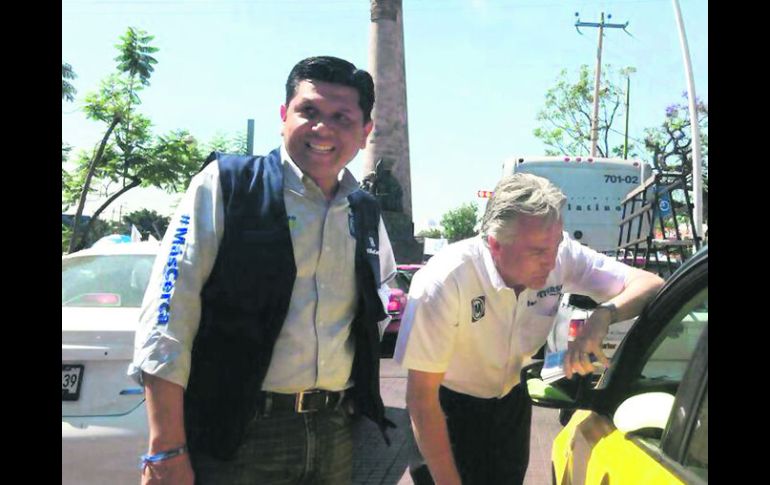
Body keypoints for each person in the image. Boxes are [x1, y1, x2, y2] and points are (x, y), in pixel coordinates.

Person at [129, 56, 397, 485]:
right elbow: (168, 316)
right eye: (307, 111)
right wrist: (165, 448)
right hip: (239, 432)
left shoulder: (364, 211)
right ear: (282, 116)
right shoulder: (227, 185)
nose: (322, 128)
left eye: (341, 117)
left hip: (333, 431)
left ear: (365, 132)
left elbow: (375, 311)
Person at [394, 173, 664, 485]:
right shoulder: (445, 281)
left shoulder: (559, 255)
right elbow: (421, 400)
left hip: (510, 404)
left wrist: (603, 316)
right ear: (495, 245)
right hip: (447, 411)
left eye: (556, 245)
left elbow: (650, 284)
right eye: (537, 251)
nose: (550, 262)